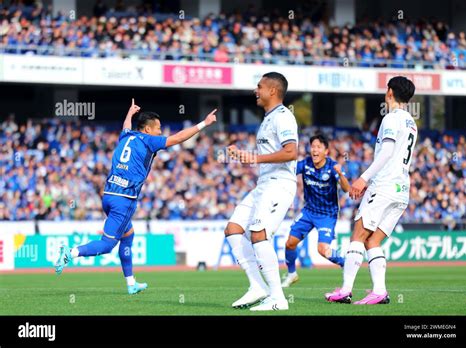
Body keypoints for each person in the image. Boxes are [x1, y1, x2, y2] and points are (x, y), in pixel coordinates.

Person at [54, 99, 217, 294]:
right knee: (107, 245)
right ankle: (70, 253)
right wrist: (204, 124)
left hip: (109, 195)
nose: (160, 132)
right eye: (158, 128)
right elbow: (177, 138)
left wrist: (129, 114)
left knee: (128, 236)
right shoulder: (149, 140)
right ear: (147, 130)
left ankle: (131, 284)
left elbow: (126, 126)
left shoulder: (127, 136)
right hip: (124, 200)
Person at [325, 76, 417, 304]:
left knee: (357, 235)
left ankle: (345, 290)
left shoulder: (391, 118)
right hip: (402, 189)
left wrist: (363, 178)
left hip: (384, 185)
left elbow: (387, 152)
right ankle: (379, 291)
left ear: (389, 92)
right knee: (372, 241)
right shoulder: (411, 122)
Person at [225, 72, 298, 311]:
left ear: (272, 91)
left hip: (279, 183)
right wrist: (246, 156)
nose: (255, 91)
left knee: (259, 233)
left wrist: (254, 158)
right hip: (264, 184)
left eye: (259, 86)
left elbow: (291, 152)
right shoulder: (267, 118)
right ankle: (257, 286)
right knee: (234, 228)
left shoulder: (284, 117)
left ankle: (278, 298)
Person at [281, 131, 350, 288]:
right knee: (290, 243)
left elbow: (346, 189)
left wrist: (341, 174)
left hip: (327, 215)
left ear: (326, 151)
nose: (314, 150)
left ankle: (346, 263)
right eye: (313, 146)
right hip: (308, 212)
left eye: (318, 147)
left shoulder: (333, 167)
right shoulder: (305, 164)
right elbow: (288, 170)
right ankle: (292, 274)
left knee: (323, 250)